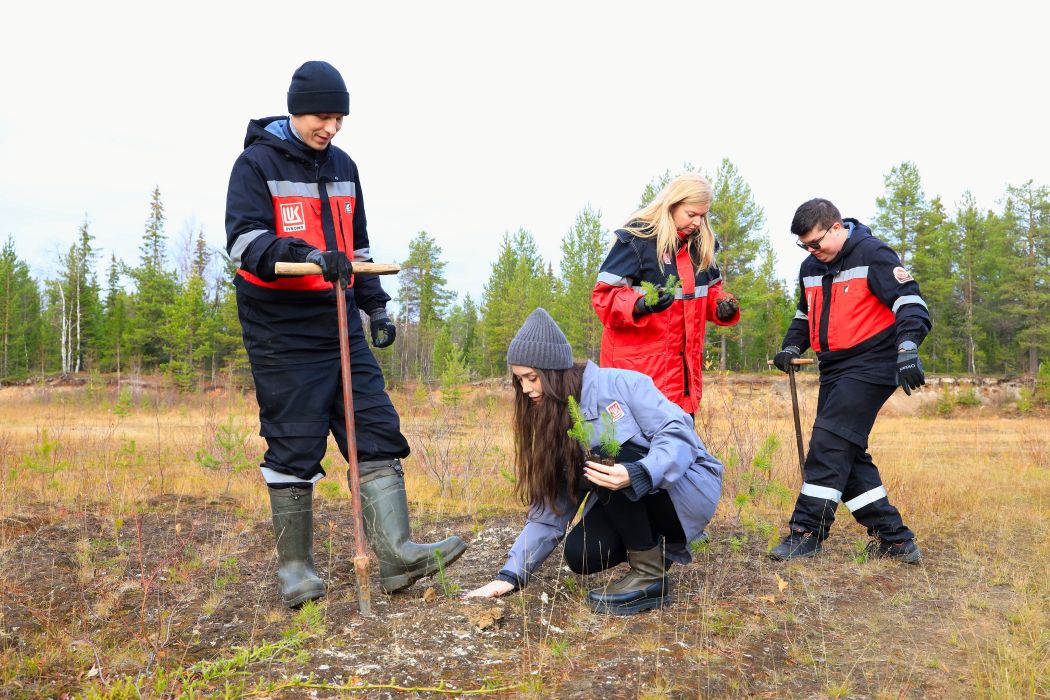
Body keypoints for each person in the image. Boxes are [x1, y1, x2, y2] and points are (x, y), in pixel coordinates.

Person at [225, 60, 466, 607]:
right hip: (280, 328)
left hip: (338, 320)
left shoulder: (344, 166)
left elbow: (355, 248)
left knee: (376, 427)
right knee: (294, 442)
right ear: (295, 109)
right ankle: (297, 574)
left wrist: (375, 307)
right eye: (322, 116)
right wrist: (309, 255)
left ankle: (397, 555)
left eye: (339, 119)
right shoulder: (255, 164)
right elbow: (244, 243)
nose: (330, 128)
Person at [464, 308, 723, 615]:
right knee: (581, 554)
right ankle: (660, 548)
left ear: (554, 372)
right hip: (638, 499)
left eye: (532, 378)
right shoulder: (554, 417)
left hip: (687, 489)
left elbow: (678, 433)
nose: (526, 389)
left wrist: (639, 471)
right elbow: (551, 511)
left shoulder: (621, 384)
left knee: (602, 451)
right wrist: (511, 575)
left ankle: (649, 576)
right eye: (519, 380)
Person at [769, 198, 930, 564]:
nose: (812, 251)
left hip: (873, 363)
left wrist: (907, 348)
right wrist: (791, 346)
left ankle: (806, 531)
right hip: (834, 368)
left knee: (827, 446)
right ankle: (894, 540)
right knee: (847, 452)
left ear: (837, 227)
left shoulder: (874, 255)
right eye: (804, 245)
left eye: (816, 242)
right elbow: (805, 313)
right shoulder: (810, 266)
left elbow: (910, 303)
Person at [592, 173, 740, 414]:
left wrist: (723, 304)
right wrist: (641, 305)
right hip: (636, 383)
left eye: (703, 215)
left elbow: (711, 293)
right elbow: (603, 298)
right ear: (671, 205)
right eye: (691, 214)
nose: (698, 223)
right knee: (636, 452)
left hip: (683, 385)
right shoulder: (636, 241)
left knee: (680, 450)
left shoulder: (701, 247)